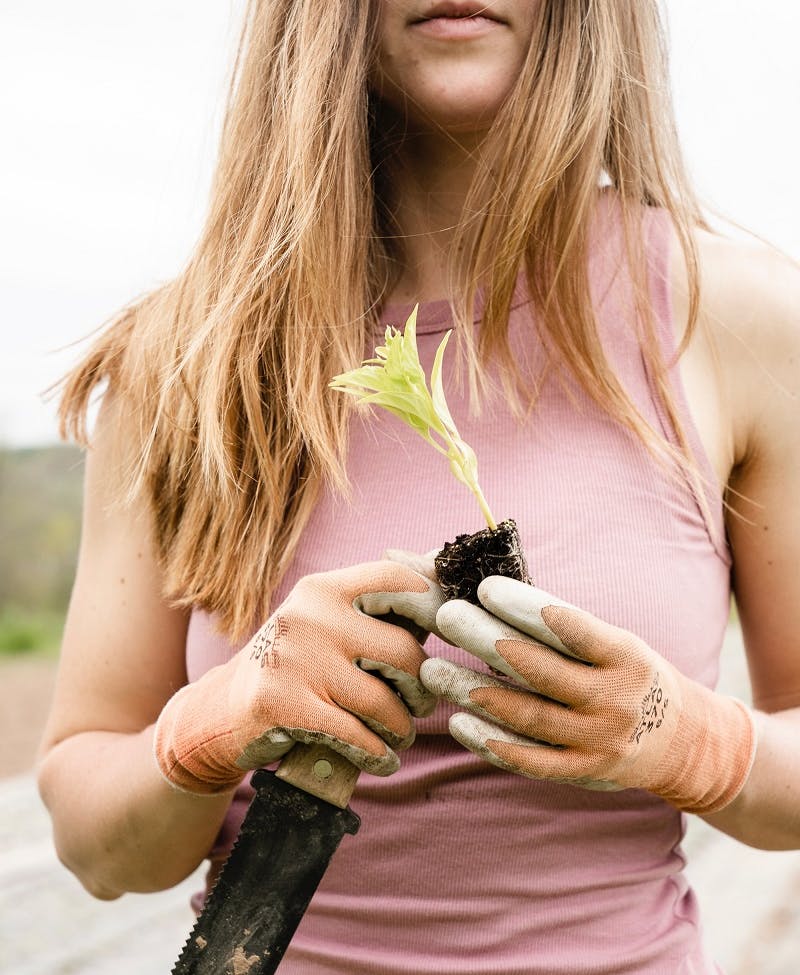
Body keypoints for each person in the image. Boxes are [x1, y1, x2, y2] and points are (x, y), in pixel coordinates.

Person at [37, 2, 800, 973]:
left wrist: (689, 740)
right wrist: (217, 722)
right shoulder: (183, 359)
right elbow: (97, 850)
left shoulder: (739, 319)